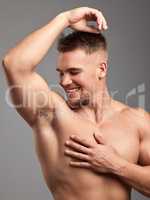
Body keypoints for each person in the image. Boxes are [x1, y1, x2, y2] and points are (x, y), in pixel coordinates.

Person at [2, 6, 150, 200]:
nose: (64, 81)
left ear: (101, 69)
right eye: (61, 73)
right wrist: (65, 18)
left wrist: (115, 164)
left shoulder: (137, 120)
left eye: (73, 72)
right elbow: (14, 64)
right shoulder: (52, 115)